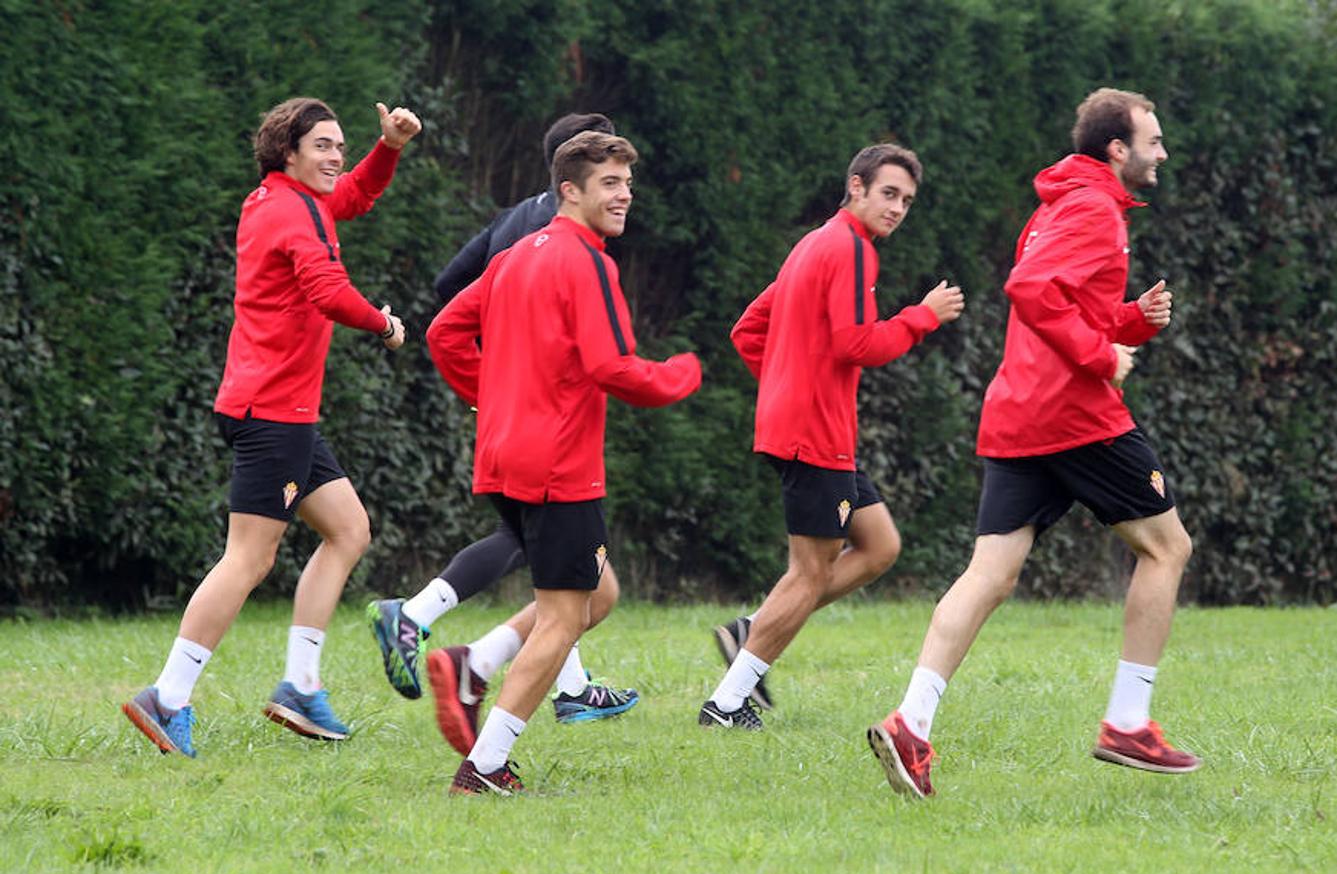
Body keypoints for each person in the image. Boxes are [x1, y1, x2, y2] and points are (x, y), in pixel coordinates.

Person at [868, 87, 1197, 799]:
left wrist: (1130, 322)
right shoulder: (1090, 207)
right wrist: (1100, 356)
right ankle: (1128, 722)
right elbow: (1031, 288)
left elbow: (1069, 301)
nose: (1163, 152)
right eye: (1154, 140)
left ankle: (910, 725)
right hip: (1074, 416)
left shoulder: (1060, 202)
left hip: (1019, 414)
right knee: (1168, 548)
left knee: (991, 573)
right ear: (1118, 148)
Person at [121, 98, 422, 757]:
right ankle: (168, 698)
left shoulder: (289, 199)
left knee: (348, 530)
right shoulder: (292, 211)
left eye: (340, 144)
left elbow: (356, 195)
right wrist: (383, 323)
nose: (336, 156)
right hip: (272, 414)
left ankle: (300, 685)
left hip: (280, 411)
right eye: (322, 145)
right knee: (249, 557)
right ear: (288, 152)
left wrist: (389, 147)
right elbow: (326, 287)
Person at [426, 131, 701, 794]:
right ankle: (485, 766)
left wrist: (491, 397)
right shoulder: (588, 262)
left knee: (595, 591)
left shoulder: (518, 254)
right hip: (556, 463)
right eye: (609, 183)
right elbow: (613, 367)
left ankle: (474, 662)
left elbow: (443, 334)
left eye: (627, 183)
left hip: (502, 456)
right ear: (569, 191)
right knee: (564, 617)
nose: (624, 195)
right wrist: (679, 375)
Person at [367, 113, 638, 730]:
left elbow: (448, 285)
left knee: (577, 574)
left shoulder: (518, 217)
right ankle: (422, 622)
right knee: (556, 559)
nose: (620, 189)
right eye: (608, 174)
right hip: (537, 411)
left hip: (508, 403)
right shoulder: (562, 235)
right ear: (574, 176)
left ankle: (556, 683)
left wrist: (495, 371)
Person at [699, 145, 965, 731]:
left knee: (879, 545)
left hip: (809, 427)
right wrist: (922, 315)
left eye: (907, 201)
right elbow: (857, 344)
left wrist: (784, 387)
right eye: (889, 194)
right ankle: (726, 702)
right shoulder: (850, 250)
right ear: (857, 187)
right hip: (812, 432)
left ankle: (755, 628)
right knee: (810, 572)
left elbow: (747, 331)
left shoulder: (813, 245)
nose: (897, 209)